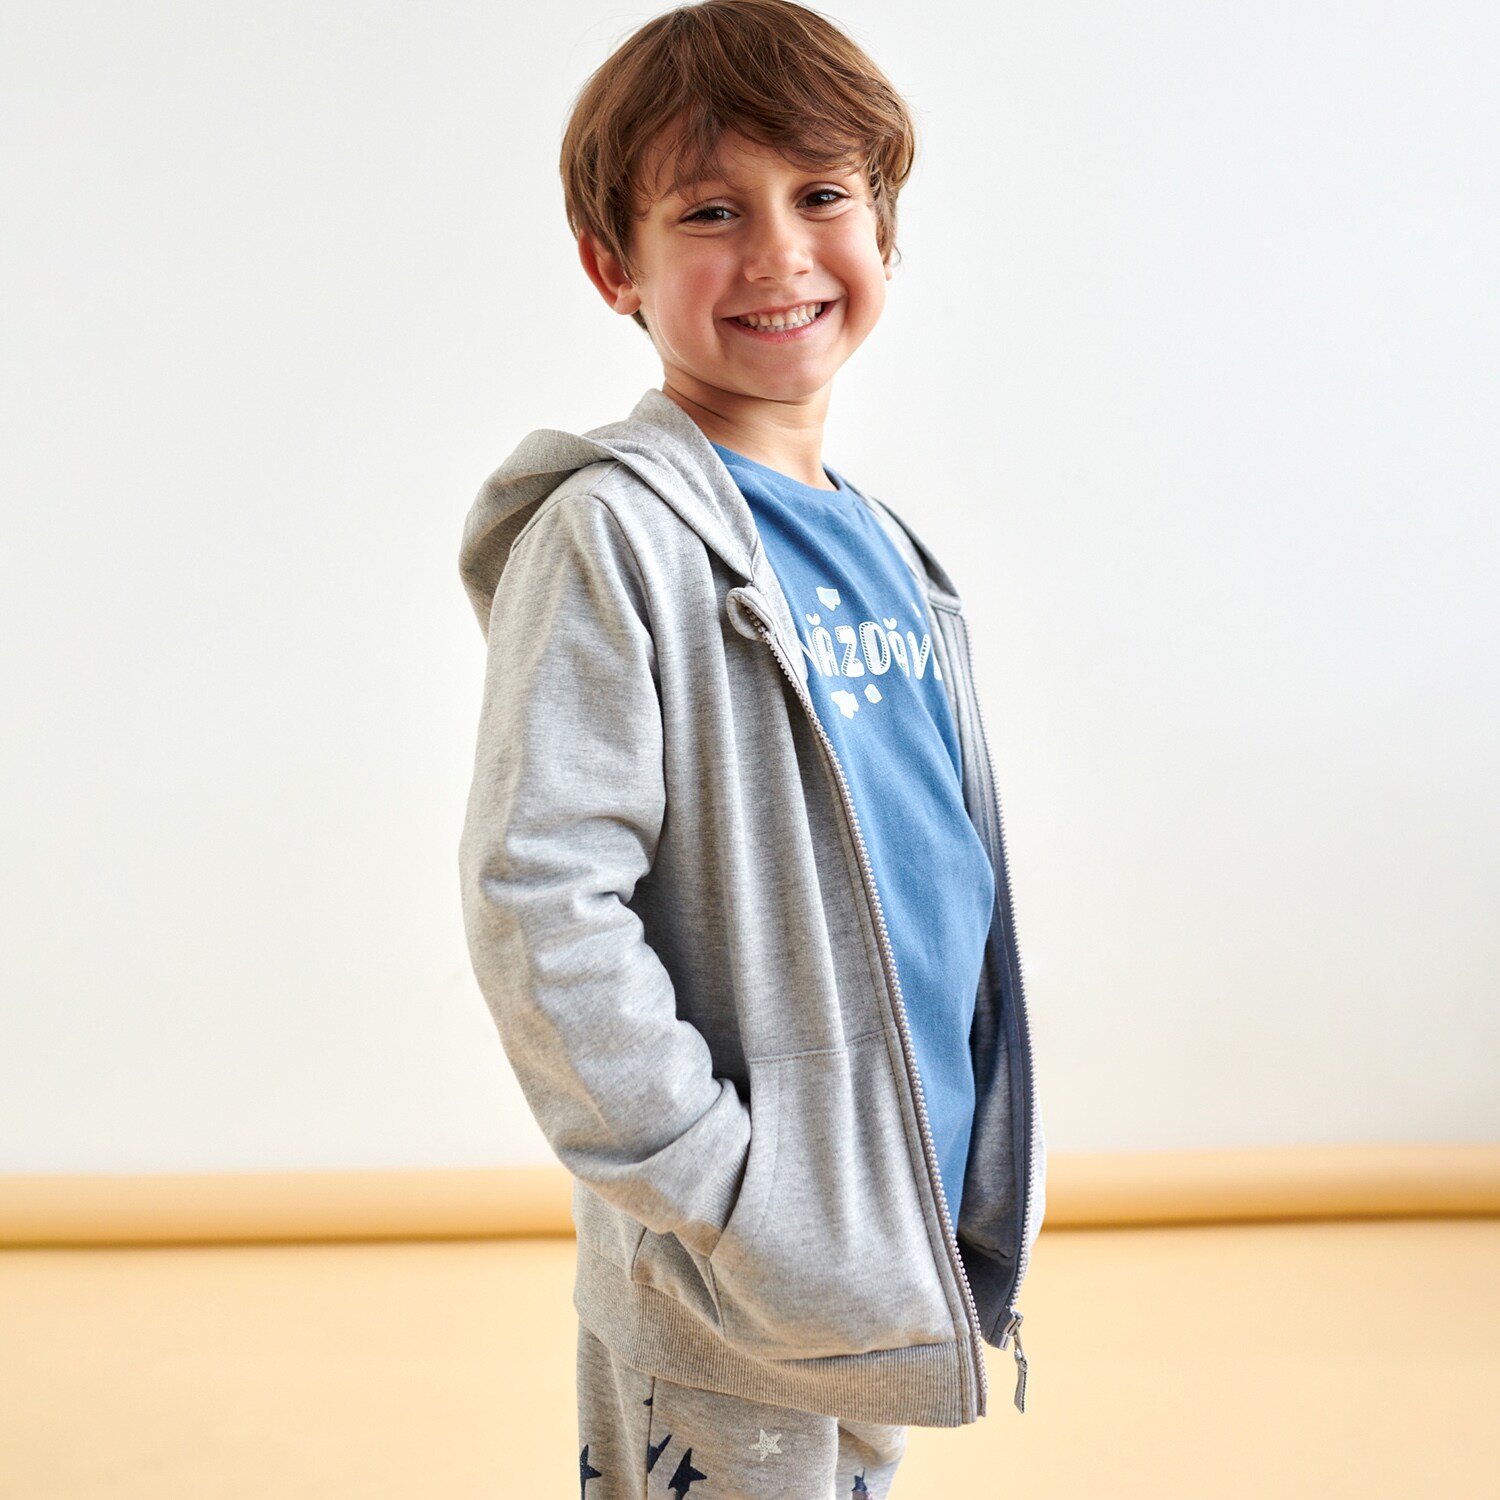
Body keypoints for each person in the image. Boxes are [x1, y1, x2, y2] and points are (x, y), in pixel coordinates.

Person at [456, 2, 1045, 1494]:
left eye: (822, 194)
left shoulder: (891, 556)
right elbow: (540, 898)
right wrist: (726, 1196)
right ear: (616, 268)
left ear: (885, 232)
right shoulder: (612, 538)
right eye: (712, 211)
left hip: (885, 1244)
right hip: (736, 1276)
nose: (780, 251)